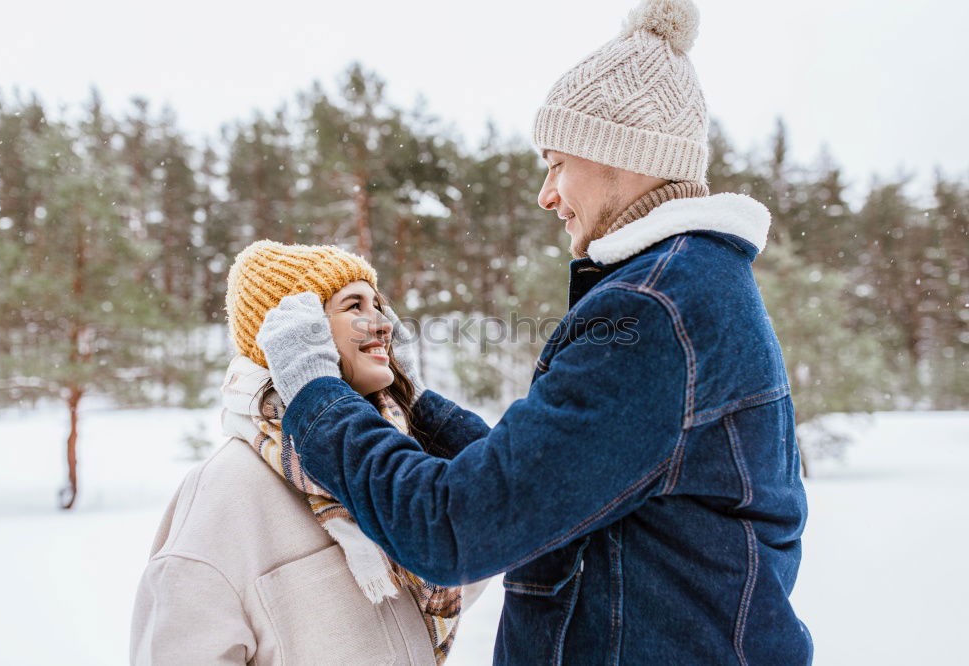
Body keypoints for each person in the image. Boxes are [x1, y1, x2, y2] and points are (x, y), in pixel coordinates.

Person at [254, 0, 813, 663]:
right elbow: (557, 488)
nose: (546, 194)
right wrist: (416, 406)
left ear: (620, 154)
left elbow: (456, 528)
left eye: (556, 163)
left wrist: (315, 395)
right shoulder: (693, 285)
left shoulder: (655, 312)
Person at [130, 241, 486, 665]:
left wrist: (413, 396)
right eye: (354, 305)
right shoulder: (228, 490)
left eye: (379, 306)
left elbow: (477, 538)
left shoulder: (398, 459)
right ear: (293, 335)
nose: (385, 325)